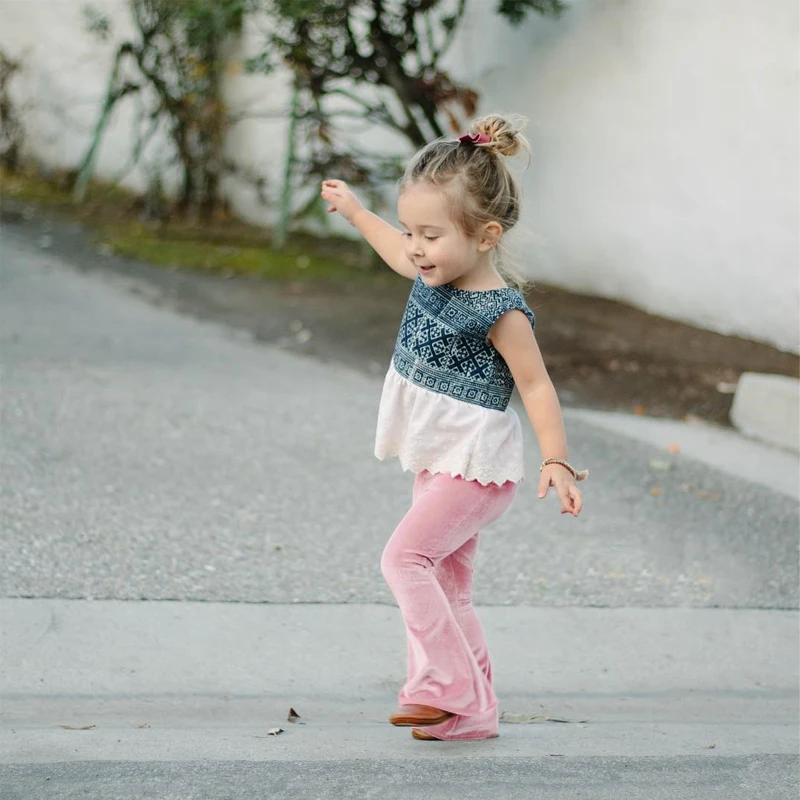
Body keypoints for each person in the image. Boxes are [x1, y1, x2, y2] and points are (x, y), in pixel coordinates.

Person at [320, 114, 588, 742]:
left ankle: (442, 688)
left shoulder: (502, 311)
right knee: (446, 582)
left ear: (487, 234)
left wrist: (557, 461)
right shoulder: (426, 270)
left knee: (404, 559)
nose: (415, 246)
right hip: (441, 459)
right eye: (412, 230)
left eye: (431, 234)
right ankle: (474, 713)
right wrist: (359, 213)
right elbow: (390, 247)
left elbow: (537, 387)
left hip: (475, 468)